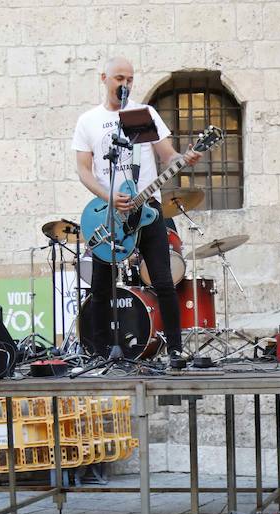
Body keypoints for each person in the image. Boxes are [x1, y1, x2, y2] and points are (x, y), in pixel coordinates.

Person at [73, 56, 201, 362]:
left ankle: (175, 349)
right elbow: (83, 170)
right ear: (104, 78)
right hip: (109, 213)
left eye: (130, 80)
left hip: (147, 208)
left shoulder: (143, 114)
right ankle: (101, 352)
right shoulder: (88, 121)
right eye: (119, 78)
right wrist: (108, 196)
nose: (125, 85)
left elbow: (167, 155)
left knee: (164, 280)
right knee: (102, 286)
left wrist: (184, 159)